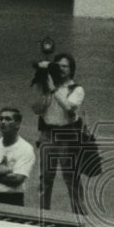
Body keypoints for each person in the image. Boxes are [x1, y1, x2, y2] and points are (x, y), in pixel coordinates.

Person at [33, 53, 86, 214]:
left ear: (71, 70)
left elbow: (69, 108)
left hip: (67, 137)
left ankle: (80, 217)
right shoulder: (47, 87)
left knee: (71, 179)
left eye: (65, 66)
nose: (61, 69)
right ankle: (44, 215)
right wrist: (43, 88)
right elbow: (37, 109)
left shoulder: (76, 89)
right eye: (58, 66)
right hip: (48, 135)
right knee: (45, 179)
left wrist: (54, 90)